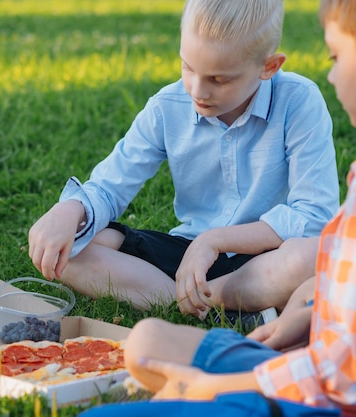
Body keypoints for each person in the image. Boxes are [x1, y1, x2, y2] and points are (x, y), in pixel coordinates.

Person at [87, 0, 356, 415]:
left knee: (100, 413)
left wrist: (210, 386)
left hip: (310, 364)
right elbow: (350, 289)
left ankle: (210, 306)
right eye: (187, 68)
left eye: (336, 57)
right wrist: (303, 312)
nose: (198, 90)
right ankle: (194, 300)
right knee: (132, 322)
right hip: (267, 322)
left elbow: (345, 374)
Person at [28, 0, 339, 325]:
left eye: (219, 79)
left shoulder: (299, 100)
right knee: (76, 245)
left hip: (266, 257)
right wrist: (70, 211)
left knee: (316, 257)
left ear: (269, 67)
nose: (197, 90)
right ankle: (216, 307)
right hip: (186, 252)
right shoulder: (167, 106)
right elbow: (109, 188)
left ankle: (200, 300)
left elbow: (314, 216)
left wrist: (214, 241)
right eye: (188, 67)